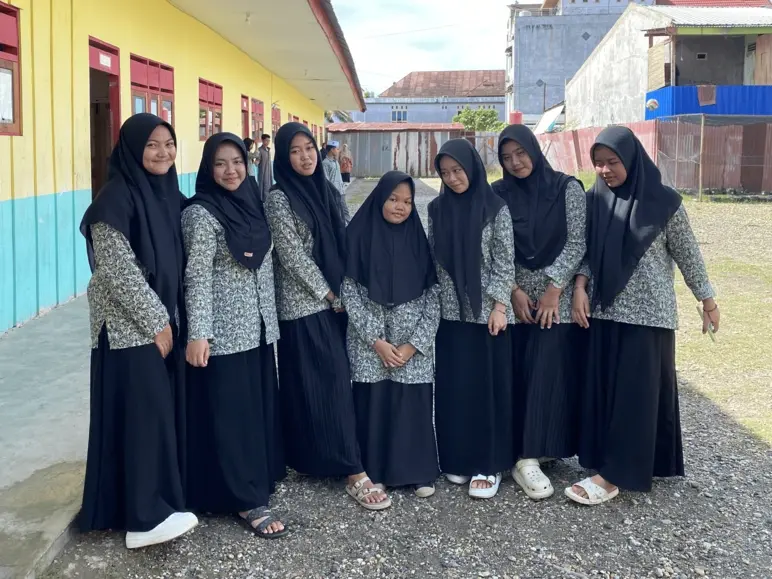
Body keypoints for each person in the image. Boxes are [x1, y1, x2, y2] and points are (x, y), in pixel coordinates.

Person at [567, 126, 720, 505]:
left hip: (649, 317)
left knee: (636, 397)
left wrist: (707, 300)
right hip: (603, 312)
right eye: (598, 163)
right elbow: (584, 251)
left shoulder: (663, 202)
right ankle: (623, 460)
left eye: (612, 162)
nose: (605, 170)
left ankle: (614, 476)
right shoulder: (595, 200)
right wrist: (580, 286)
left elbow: (688, 253)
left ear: (632, 159)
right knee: (607, 392)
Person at [78, 113, 197, 549]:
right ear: (131, 148)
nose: (163, 152)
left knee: (147, 418)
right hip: (127, 329)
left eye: (168, 143)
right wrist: (157, 323)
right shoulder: (112, 200)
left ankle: (132, 507)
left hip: (156, 323)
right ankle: (145, 520)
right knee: (146, 419)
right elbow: (117, 271)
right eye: (151, 145)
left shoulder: (166, 194)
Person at [263, 122, 391, 511]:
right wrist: (329, 293)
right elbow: (291, 255)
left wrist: (354, 285)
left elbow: (347, 237)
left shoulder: (329, 190)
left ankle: (314, 458)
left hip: (338, 298)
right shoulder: (278, 198)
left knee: (324, 382)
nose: (305, 157)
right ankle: (354, 471)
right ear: (284, 157)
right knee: (325, 382)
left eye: (309, 149)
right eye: (295, 151)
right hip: (304, 306)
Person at [182, 133, 288, 538]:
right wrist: (199, 333)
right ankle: (245, 500)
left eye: (238, 161)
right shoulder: (200, 214)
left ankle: (255, 479)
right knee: (231, 417)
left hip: (258, 329)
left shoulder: (252, 204)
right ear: (209, 168)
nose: (231, 171)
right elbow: (196, 276)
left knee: (253, 411)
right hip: (222, 334)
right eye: (221, 163)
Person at [491, 125, 586, 501]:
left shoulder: (567, 188)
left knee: (550, 369)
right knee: (519, 370)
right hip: (514, 297)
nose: (515, 163)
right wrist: (513, 290)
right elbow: (496, 247)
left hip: (554, 297)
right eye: (506, 157)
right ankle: (522, 453)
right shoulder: (497, 193)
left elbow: (578, 241)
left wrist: (554, 289)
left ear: (534, 149)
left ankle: (544, 446)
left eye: (521, 153)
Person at [342, 170, 441, 498]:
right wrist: (376, 341)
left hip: (411, 345)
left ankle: (419, 472)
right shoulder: (358, 238)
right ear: (378, 199)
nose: (401, 207)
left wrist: (415, 344)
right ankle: (377, 471)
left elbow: (434, 297)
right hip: (372, 345)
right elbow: (349, 294)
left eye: (408, 202)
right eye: (393, 199)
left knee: (411, 406)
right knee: (375, 406)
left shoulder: (419, 242)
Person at [428, 138, 516, 500]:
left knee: (486, 391)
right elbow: (433, 260)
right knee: (455, 388)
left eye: (458, 170)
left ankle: (489, 464)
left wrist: (499, 307)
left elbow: (504, 262)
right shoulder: (436, 208)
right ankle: (458, 457)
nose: (452, 178)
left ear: (473, 168)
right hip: (450, 315)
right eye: (445, 173)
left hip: (487, 316)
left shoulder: (495, 208)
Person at [322, 140, 351, 224]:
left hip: (340, 191)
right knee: (337, 212)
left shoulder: (336, 162)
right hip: (333, 193)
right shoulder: (325, 163)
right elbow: (326, 180)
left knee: (345, 211)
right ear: (332, 149)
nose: (338, 151)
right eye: (337, 149)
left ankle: (349, 227)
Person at [257, 133, 273, 201]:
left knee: (269, 185)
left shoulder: (268, 150)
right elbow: (257, 161)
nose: (268, 142)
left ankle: (268, 199)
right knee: (263, 186)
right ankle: (263, 200)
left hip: (269, 172)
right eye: (266, 140)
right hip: (263, 172)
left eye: (269, 141)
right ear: (262, 140)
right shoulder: (259, 150)